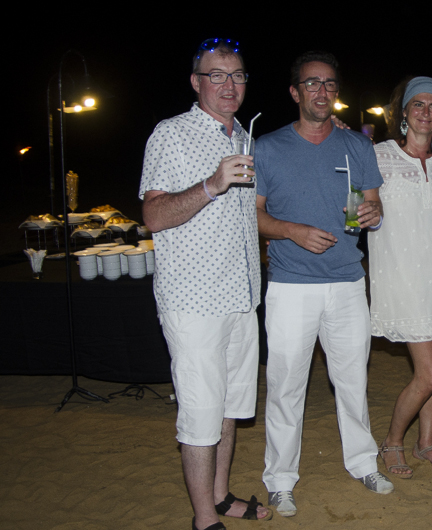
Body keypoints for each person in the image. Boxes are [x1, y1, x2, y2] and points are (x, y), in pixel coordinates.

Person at [254, 51, 393, 517]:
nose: (322, 91)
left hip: (348, 281)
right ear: (295, 92)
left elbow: (373, 205)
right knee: (285, 386)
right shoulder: (268, 147)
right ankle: (280, 480)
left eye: (330, 83)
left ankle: (363, 463)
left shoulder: (357, 145)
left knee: (352, 381)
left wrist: (373, 214)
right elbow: (253, 215)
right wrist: (292, 231)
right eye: (312, 83)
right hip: (291, 285)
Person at [139, 38, 271, 530]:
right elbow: (153, 215)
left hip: (242, 296)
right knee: (200, 414)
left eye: (237, 75)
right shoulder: (170, 134)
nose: (228, 84)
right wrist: (212, 185)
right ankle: (203, 520)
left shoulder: (244, 138)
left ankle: (218, 496)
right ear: (196, 82)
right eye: (216, 75)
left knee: (230, 408)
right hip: (194, 301)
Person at [368, 77, 432, 479]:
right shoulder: (379, 155)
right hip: (404, 277)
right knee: (429, 374)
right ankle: (392, 441)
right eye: (418, 104)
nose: (426, 112)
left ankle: (425, 442)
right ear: (403, 111)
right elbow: (357, 202)